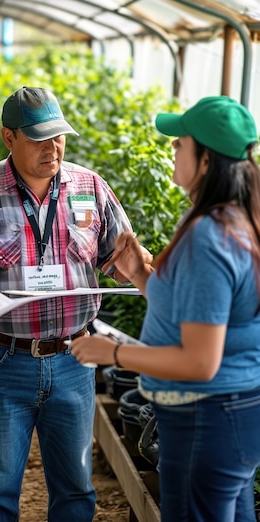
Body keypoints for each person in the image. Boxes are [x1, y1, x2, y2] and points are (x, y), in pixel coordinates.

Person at [0, 85, 139, 522]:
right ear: (8, 137)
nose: (52, 147)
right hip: (3, 362)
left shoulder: (91, 187)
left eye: (58, 135)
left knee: (75, 489)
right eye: (38, 138)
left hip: (74, 359)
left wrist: (144, 264)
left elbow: (121, 260)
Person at [71, 95, 260, 522]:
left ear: (207, 160)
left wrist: (112, 353)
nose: (172, 149)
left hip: (205, 420)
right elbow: (194, 314)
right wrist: (140, 274)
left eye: (180, 143)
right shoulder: (232, 220)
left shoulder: (209, 238)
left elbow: (199, 361)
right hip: (230, 414)